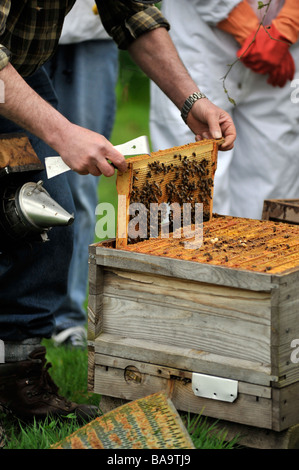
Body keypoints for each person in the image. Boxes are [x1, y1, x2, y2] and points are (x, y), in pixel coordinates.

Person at [0, 0, 236, 422]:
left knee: (45, 219)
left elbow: (132, 14)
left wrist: (191, 101)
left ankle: (17, 386)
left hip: (18, 70)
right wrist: (64, 133)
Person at [150, 0, 299, 220]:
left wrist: (288, 25)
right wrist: (247, 27)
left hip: (283, 50)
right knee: (192, 192)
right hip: (201, 37)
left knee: (274, 185)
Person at [44, 0, 119, 348]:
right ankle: (22, 311)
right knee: (21, 173)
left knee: (80, 185)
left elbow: (137, 14)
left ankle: (69, 316)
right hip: (22, 40)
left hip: (92, 28)